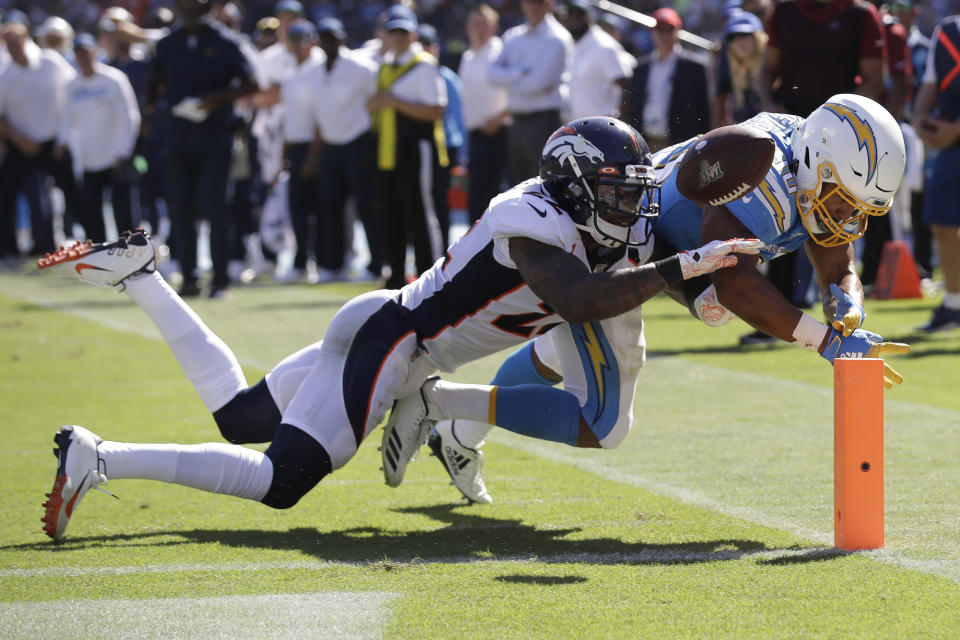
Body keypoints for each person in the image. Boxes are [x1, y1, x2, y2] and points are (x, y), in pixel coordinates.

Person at [37, 117, 759, 542]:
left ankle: (142, 275)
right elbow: (578, 297)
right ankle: (100, 457)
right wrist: (677, 269)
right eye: (613, 191)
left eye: (630, 193)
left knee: (239, 418)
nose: (627, 206)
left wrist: (697, 293)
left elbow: (629, 258)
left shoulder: (592, 220)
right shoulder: (528, 218)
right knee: (280, 482)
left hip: (389, 332)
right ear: (570, 183)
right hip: (398, 341)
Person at [418, 95, 913, 504]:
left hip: (663, 247)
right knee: (604, 422)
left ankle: (459, 436)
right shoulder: (762, 168)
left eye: (858, 208)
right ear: (813, 162)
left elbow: (838, 264)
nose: (847, 216)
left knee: (556, 353)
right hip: (617, 245)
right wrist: (822, 340)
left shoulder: (810, 162)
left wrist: (846, 301)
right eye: (843, 200)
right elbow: (734, 282)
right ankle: (436, 402)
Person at [745, 0, 888, 345]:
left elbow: (874, 78)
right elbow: (768, 69)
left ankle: (840, 304)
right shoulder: (786, 11)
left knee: (837, 217)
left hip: (839, 142)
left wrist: (844, 123)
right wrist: (767, 101)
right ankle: (774, 316)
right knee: (776, 216)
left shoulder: (860, 14)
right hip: (791, 136)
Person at [148, 0, 258, 299]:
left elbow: (252, 84)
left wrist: (218, 98)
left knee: (216, 207)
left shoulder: (226, 41)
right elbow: (154, 82)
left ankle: (220, 279)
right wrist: (157, 109)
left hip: (215, 136)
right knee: (181, 208)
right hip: (179, 136)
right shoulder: (169, 43)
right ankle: (189, 278)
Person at [366, 5, 447, 289]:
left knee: (420, 215)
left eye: (403, 32)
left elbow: (436, 109)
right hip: (388, 153)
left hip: (415, 149)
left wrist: (394, 101)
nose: (398, 37)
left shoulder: (423, 64)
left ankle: (429, 277)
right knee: (390, 215)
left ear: (413, 34)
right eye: (393, 32)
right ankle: (396, 276)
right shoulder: (386, 65)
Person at [309, 16, 382, 282]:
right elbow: (318, 114)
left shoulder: (361, 66)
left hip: (358, 143)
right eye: (325, 38)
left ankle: (376, 264)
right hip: (330, 146)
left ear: (343, 39)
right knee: (329, 208)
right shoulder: (315, 71)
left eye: (333, 38)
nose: (329, 43)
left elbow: (376, 102)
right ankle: (332, 264)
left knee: (367, 207)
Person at [0, 20, 81, 258]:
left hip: (54, 143)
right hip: (21, 145)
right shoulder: (5, 76)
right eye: (9, 42)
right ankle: (6, 249)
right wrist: (19, 140)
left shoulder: (50, 62)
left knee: (75, 194)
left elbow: (72, 95)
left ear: (27, 39)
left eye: (18, 41)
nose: (14, 47)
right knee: (6, 196)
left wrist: (63, 138)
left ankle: (95, 243)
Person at [59, 34, 141, 243]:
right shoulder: (72, 85)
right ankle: (99, 254)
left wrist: (123, 150)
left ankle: (129, 254)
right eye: (79, 53)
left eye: (87, 52)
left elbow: (130, 116)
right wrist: (63, 143)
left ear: (95, 53)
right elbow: (67, 120)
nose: (83, 57)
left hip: (115, 156)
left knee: (123, 212)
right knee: (91, 211)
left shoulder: (114, 79)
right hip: (89, 159)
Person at [489, 0, 572, 186]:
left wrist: (509, 78)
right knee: (518, 186)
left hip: (543, 123)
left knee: (543, 186)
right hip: (517, 123)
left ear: (548, 4)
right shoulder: (513, 35)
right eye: (530, 1)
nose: (534, 6)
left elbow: (537, 83)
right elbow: (491, 75)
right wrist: (520, 73)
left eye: (539, 2)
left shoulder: (558, 37)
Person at [914, 15, 960, 332]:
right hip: (950, 146)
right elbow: (930, 87)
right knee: (943, 224)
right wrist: (919, 120)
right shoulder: (947, 32)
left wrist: (955, 129)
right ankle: (954, 306)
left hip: (952, 136)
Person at [621, 7, 711, 153]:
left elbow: (704, 110)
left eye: (669, 29)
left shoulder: (694, 67)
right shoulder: (640, 68)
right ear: (652, 33)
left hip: (680, 144)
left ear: (678, 32)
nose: (664, 34)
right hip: (645, 142)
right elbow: (633, 107)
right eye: (660, 30)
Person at [458, 3, 509, 225]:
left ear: (494, 27)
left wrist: (499, 118)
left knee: (494, 199)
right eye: (475, 24)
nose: (479, 29)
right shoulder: (467, 57)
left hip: (499, 132)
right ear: (468, 27)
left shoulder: (501, 53)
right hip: (476, 135)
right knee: (477, 200)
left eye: (484, 24)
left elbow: (518, 90)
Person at [563, 0, 634, 121]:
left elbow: (625, 85)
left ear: (590, 17)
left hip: (602, 126)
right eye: (572, 15)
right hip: (579, 125)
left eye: (580, 15)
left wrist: (619, 121)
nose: (575, 19)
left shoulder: (603, 45)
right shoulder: (576, 44)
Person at [712, 10, 767, 128]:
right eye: (733, 37)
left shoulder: (772, 69)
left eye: (744, 35)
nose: (739, 41)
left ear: (758, 37)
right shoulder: (733, 72)